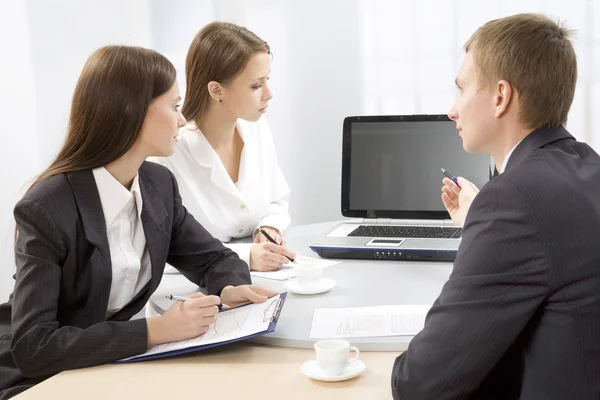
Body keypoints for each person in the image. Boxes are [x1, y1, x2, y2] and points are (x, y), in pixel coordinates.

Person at [0, 45, 276, 399]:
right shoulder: (46, 208)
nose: (182, 120)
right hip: (39, 378)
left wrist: (229, 287)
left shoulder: (158, 185)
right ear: (131, 113)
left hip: (107, 367)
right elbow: (34, 347)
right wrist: (156, 330)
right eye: (174, 106)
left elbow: (214, 258)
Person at [391, 13, 600, 399]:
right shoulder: (587, 164)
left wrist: (488, 216)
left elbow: (420, 385)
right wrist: (478, 221)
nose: (452, 110)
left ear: (501, 96)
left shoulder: (513, 199)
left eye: (461, 89)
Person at [149, 22, 296, 272]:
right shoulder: (168, 152)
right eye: (256, 85)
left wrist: (269, 227)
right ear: (217, 90)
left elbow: (276, 200)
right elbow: (163, 250)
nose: (269, 93)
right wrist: (245, 255)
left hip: (257, 283)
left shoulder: (257, 128)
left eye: (267, 80)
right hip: (191, 294)